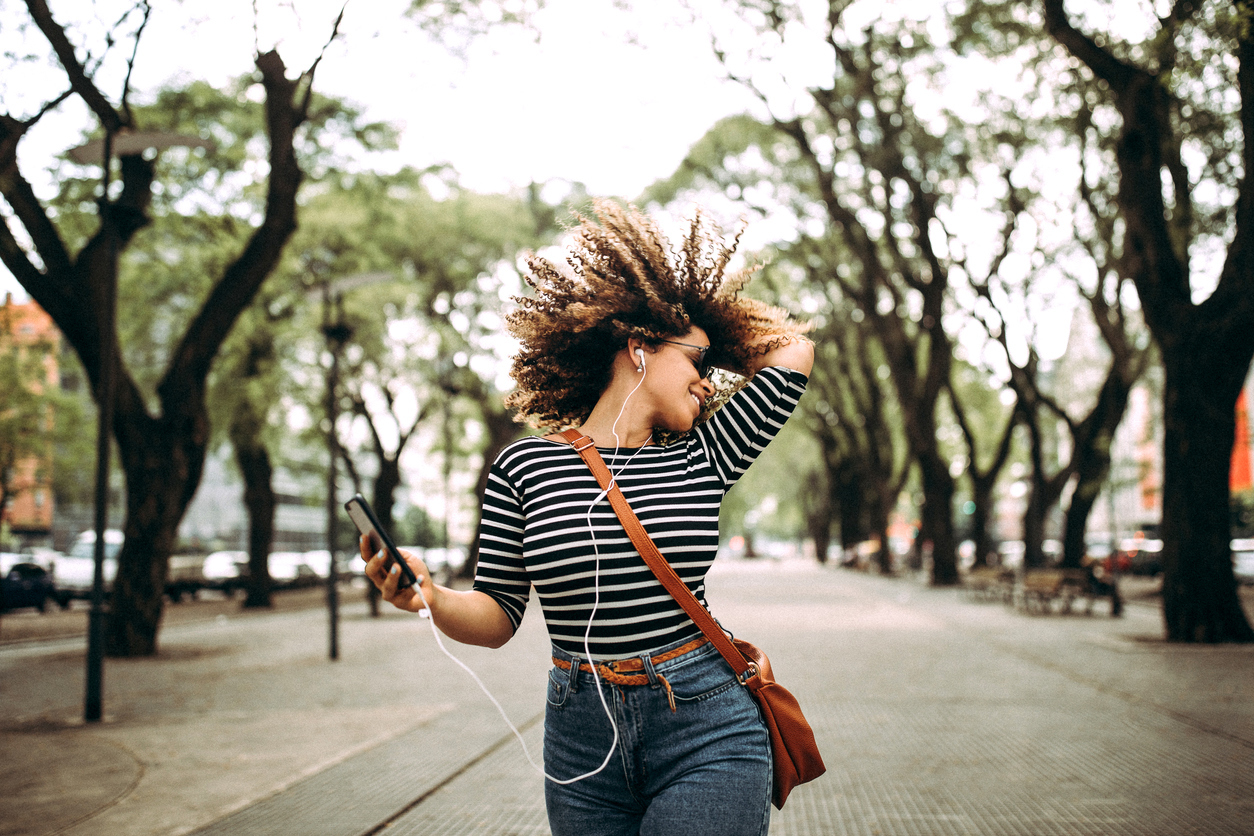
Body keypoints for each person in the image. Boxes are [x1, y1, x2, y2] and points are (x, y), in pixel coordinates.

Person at [362, 201, 814, 836]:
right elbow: (498, 618)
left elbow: (792, 350)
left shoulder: (707, 452)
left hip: (706, 722)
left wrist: (697, 324)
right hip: (580, 737)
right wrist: (431, 596)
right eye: (699, 365)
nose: (711, 384)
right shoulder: (524, 467)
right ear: (638, 348)